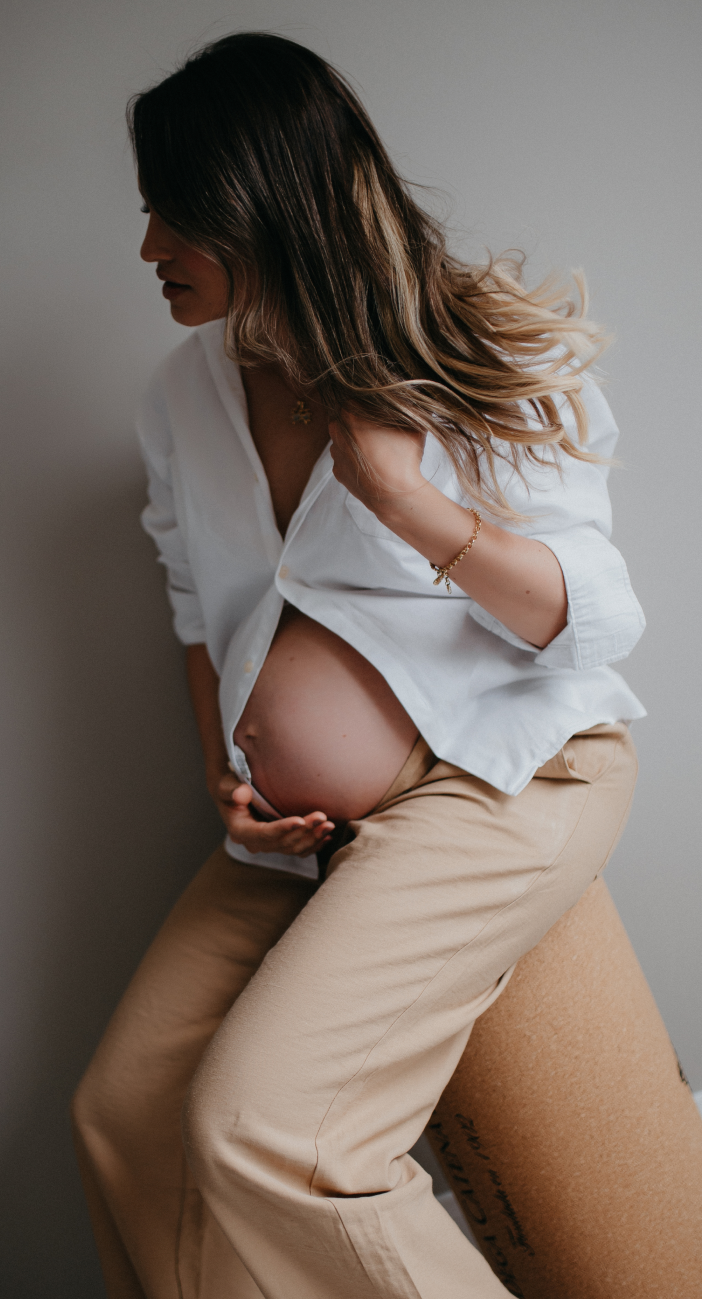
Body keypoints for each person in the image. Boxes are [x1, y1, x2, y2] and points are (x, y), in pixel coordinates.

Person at [72, 32, 645, 1299]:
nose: (150, 245)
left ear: (260, 204)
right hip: (295, 832)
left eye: (174, 213)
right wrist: (226, 775)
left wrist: (406, 501)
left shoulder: (475, 345)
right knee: (127, 1113)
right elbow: (197, 612)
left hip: (496, 782)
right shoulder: (180, 395)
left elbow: (596, 620)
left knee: (270, 1133)